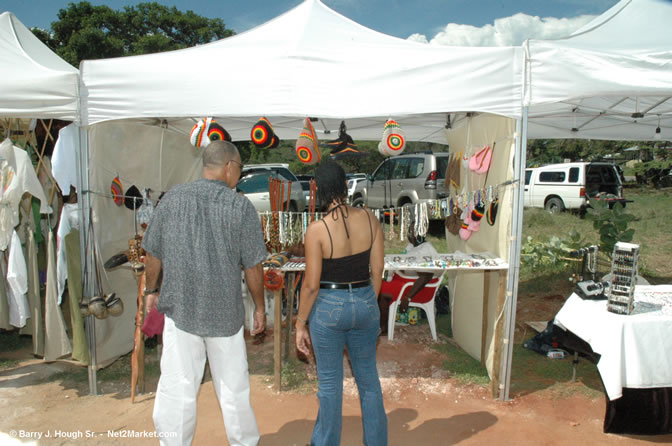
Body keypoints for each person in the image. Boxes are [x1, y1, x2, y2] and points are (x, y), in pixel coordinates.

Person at [142, 140, 267, 446]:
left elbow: (152, 251)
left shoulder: (172, 200)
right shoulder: (239, 206)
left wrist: (151, 290)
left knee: (177, 387)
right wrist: (259, 308)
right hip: (224, 314)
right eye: (239, 168)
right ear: (228, 167)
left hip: (181, 308)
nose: (238, 175)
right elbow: (253, 266)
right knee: (234, 389)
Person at [295, 159, 387, 446]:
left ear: (319, 190)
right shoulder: (370, 219)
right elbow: (377, 270)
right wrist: (367, 304)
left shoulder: (317, 230)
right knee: (369, 382)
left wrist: (300, 323)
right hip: (365, 302)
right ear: (346, 185)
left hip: (329, 308)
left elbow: (310, 285)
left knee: (331, 385)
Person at [378, 221, 438, 334]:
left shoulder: (426, 250)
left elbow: (426, 276)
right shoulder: (412, 245)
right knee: (376, 284)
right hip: (403, 281)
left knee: (380, 291)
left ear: (421, 233)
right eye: (409, 230)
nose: (409, 234)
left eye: (412, 231)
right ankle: (381, 323)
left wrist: (407, 297)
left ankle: (383, 327)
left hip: (414, 289)